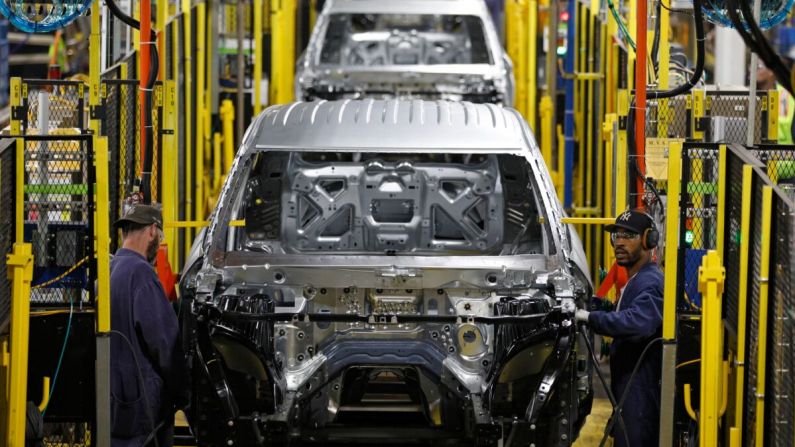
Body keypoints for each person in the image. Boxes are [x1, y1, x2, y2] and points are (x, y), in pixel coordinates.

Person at [575, 209, 664, 447]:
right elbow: (621, 313)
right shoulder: (636, 280)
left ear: (649, 241)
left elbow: (636, 322)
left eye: (629, 236)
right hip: (629, 388)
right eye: (617, 236)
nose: (620, 243)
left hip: (640, 392)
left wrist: (590, 317)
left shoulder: (651, 282)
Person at [110, 204, 188, 446]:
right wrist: (185, 392)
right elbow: (164, 343)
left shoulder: (111, 269)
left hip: (115, 404)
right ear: (153, 230)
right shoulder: (141, 274)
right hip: (143, 411)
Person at [757, 60, 795, 144]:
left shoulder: (787, 95)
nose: (751, 69)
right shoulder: (751, 95)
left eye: (759, 66)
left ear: (770, 71)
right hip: (756, 154)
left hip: (784, 154)